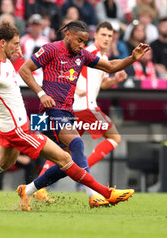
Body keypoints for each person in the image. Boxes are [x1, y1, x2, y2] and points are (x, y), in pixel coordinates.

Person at [0, 23, 134, 211]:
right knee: (66, 158)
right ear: (2, 43)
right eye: (15, 44)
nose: (18, 49)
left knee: (4, 163)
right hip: (21, 129)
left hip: (16, 124)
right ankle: (103, 193)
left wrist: (133, 57)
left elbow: (108, 68)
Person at [18, 20, 149, 208]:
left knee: (67, 164)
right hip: (49, 111)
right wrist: (41, 93)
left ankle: (28, 190)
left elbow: (110, 66)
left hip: (66, 112)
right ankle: (98, 194)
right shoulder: (51, 49)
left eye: (84, 42)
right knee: (78, 143)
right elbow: (24, 69)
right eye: (79, 40)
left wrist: (132, 58)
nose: (81, 45)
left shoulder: (82, 55)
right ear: (68, 34)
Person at [35, 21, 128, 207]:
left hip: (74, 109)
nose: (107, 39)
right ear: (96, 35)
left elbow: (101, 84)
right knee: (114, 136)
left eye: (110, 36)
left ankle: (40, 187)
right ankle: (87, 174)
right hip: (84, 107)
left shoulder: (100, 55)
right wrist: (74, 88)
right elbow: (70, 69)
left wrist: (114, 81)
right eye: (103, 34)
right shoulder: (87, 51)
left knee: (65, 152)